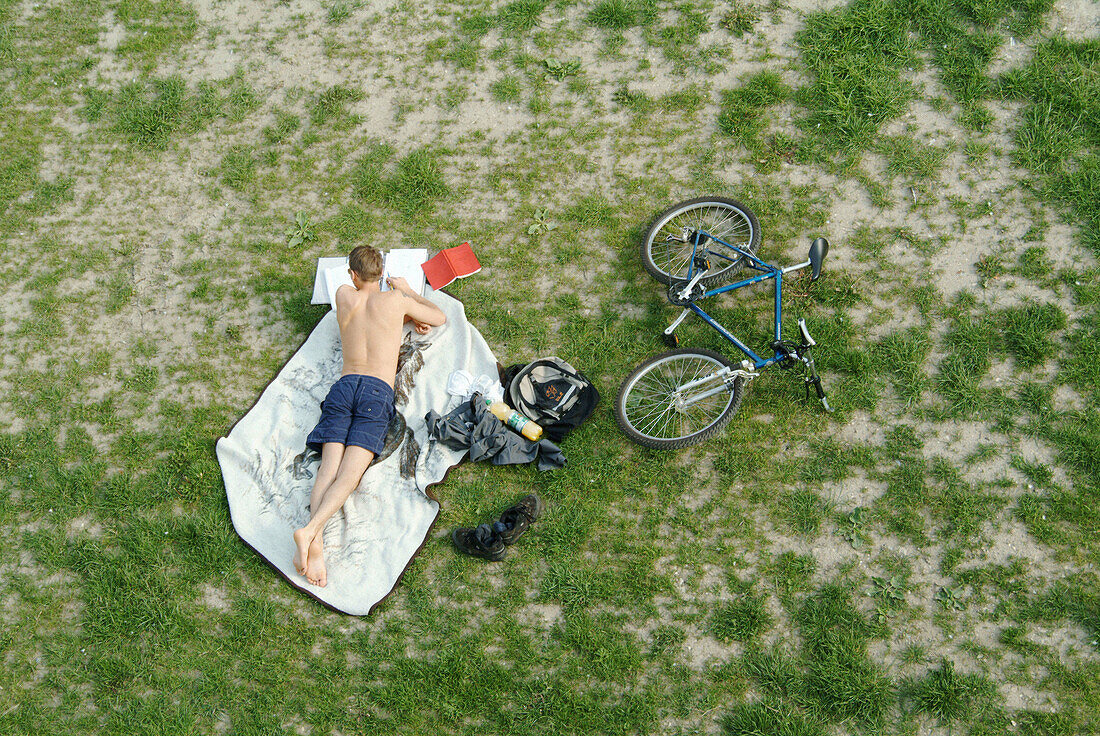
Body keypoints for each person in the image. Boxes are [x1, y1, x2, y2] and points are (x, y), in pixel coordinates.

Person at [293, 245, 446, 587]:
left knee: (328, 468)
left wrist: (403, 312)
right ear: (382, 273)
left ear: (352, 274)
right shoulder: (394, 301)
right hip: (375, 392)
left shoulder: (344, 294)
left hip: (344, 386)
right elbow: (439, 317)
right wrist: (406, 295)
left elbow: (364, 317)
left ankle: (313, 543)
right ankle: (310, 532)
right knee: (350, 474)